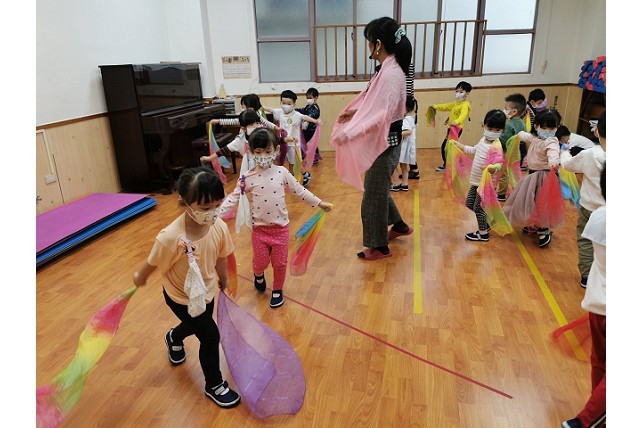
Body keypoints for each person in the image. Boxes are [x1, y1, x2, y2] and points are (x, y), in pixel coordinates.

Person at [132, 167, 241, 408]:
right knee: (210, 335)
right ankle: (214, 384)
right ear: (184, 203)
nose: (212, 212)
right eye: (205, 208)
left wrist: (223, 277)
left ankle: (173, 336)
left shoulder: (218, 226)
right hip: (180, 296)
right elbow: (153, 262)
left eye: (217, 205)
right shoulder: (171, 237)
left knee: (197, 325)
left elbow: (221, 254)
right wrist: (140, 276)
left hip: (206, 291)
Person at [217, 128, 333, 308]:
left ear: (277, 150)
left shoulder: (282, 173)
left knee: (280, 264)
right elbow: (233, 198)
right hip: (259, 230)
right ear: (251, 152)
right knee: (260, 262)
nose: (263, 156)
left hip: (280, 230)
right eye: (258, 152)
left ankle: (278, 290)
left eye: (267, 151)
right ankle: (258, 274)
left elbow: (300, 191)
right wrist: (216, 215)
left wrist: (319, 203)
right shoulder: (247, 177)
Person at [330, 17, 414, 260]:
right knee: (378, 188)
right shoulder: (389, 69)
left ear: (377, 44)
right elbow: (379, 106)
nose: (368, 46)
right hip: (386, 141)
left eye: (369, 42)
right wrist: (355, 113)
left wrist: (351, 133)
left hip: (386, 143)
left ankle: (378, 246)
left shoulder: (390, 74)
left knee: (373, 196)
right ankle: (399, 226)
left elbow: (383, 115)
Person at [561, 164, 606, 428]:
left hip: (597, 306)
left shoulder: (599, 216)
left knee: (600, 362)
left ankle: (598, 412)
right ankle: (585, 420)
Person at [560, 111, 606, 287]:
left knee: (586, 241)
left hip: (589, 207)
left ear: (596, 131)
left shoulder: (589, 154)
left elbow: (568, 165)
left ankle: (587, 276)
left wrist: (565, 153)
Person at [503, 109, 561, 248]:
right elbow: (526, 136)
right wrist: (519, 134)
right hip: (532, 176)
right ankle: (536, 223)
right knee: (531, 200)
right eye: (544, 128)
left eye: (551, 128)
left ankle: (544, 229)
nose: (547, 131)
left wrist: (554, 162)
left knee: (542, 203)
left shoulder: (551, 142)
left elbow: (553, 154)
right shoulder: (536, 137)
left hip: (545, 177)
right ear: (536, 126)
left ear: (557, 128)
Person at [453, 110, 505, 241]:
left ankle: (483, 234)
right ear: (483, 126)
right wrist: (460, 146)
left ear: (502, 130)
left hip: (486, 184)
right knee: (470, 203)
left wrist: (493, 168)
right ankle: (486, 223)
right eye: (490, 128)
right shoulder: (483, 140)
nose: (493, 132)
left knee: (478, 207)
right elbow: (474, 150)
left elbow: (499, 163)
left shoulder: (496, 145)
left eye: (497, 130)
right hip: (476, 181)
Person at [264, 90, 320, 187]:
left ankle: (298, 177)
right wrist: (259, 106)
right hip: (283, 142)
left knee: (293, 163)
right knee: (279, 160)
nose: (286, 106)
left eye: (289, 104)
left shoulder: (297, 115)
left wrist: (315, 121)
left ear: (294, 104)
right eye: (284, 103)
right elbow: (270, 109)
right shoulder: (280, 112)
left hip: (293, 144)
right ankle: (288, 178)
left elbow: (305, 117)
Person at [201, 109, 262, 176]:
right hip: (250, 171)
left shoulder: (265, 135)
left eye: (257, 123)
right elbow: (224, 150)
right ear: (244, 129)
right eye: (251, 124)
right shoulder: (240, 140)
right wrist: (210, 158)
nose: (256, 126)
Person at [432, 81, 473, 171]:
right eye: (457, 91)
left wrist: (456, 122)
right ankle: (460, 162)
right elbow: (445, 106)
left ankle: (447, 165)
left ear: (467, 94)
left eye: (461, 92)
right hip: (451, 129)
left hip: (456, 129)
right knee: (452, 146)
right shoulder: (455, 103)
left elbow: (463, 115)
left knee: (446, 146)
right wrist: (435, 106)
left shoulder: (465, 105)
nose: (458, 94)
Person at [496, 94, 527, 201]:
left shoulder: (509, 125)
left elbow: (503, 140)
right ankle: (519, 192)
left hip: (506, 153)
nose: (504, 110)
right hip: (516, 153)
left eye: (506, 108)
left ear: (514, 111)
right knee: (515, 173)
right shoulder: (522, 123)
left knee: (503, 174)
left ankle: (501, 194)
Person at [391, 96, 418, 192]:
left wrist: (398, 134)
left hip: (404, 145)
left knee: (393, 164)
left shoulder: (406, 119)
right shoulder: (412, 117)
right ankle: (404, 184)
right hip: (408, 145)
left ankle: (395, 183)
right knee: (404, 166)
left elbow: (408, 131)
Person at [295, 87, 322, 165]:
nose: (308, 99)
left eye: (310, 98)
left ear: (315, 98)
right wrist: (294, 110)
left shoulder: (315, 108)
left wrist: (305, 119)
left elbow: (311, 116)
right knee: (309, 142)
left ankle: (312, 157)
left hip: (312, 129)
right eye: (307, 98)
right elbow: (303, 110)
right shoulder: (308, 107)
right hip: (307, 129)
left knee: (307, 142)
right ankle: (311, 156)